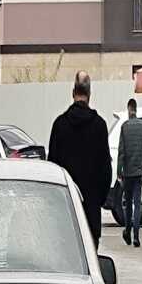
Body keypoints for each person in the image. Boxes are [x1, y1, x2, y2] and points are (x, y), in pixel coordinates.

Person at [48, 71, 112, 248]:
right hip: (91, 209)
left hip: (65, 211)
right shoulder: (99, 126)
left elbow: (52, 168)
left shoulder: (59, 125)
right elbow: (106, 170)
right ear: (89, 94)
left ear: (72, 93)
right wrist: (98, 199)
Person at [117, 98, 142, 247]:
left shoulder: (124, 127)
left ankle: (127, 230)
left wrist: (119, 171)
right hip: (138, 172)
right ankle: (136, 236)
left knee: (127, 203)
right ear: (136, 109)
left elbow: (121, 151)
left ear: (129, 109)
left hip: (127, 172)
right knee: (137, 204)